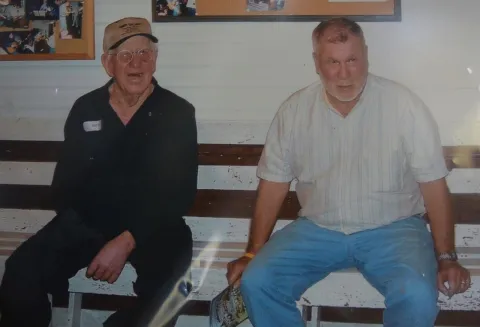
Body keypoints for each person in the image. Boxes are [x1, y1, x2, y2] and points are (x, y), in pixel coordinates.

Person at [226, 17, 471, 327]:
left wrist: (447, 257)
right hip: (318, 229)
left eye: (352, 60)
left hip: (393, 230)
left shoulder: (404, 105)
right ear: (316, 62)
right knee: (258, 281)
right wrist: (252, 253)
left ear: (366, 54)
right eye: (332, 62)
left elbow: (434, 186)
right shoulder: (294, 110)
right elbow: (273, 184)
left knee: (418, 293)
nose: (344, 74)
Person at [0, 17, 198, 327]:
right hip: (88, 222)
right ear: (108, 63)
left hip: (154, 227)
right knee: (21, 272)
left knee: (170, 290)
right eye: (125, 55)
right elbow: (65, 185)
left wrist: (126, 239)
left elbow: (179, 191)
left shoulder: (177, 113)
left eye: (145, 53)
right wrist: (95, 233)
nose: (137, 63)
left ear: (155, 59)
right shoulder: (86, 109)